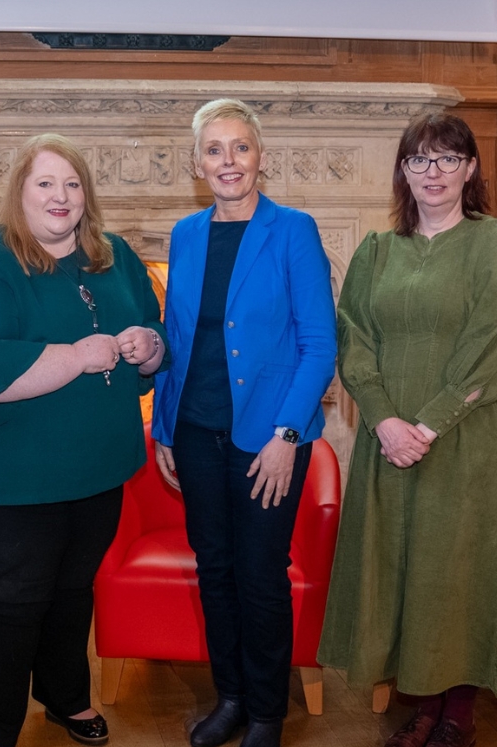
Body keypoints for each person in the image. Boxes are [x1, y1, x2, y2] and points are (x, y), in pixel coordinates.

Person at [0, 133, 167, 747]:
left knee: (71, 591)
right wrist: (75, 356)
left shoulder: (113, 254)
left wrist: (150, 345)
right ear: (21, 193)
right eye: (45, 183)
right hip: (13, 476)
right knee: (11, 604)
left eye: (72, 184)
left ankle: (65, 698)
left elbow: (153, 327)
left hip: (97, 468)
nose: (60, 196)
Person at [317, 113, 497, 747]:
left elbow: (490, 345)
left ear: (470, 168)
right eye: (419, 159)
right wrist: (385, 420)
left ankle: (457, 711)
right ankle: (422, 705)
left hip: (464, 437)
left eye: (447, 158)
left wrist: (427, 426)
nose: (433, 172)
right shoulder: (377, 251)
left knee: (455, 572)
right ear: (403, 172)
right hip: (387, 440)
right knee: (399, 568)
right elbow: (352, 339)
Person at [149, 98, 336, 747]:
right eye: (214, 149)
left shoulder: (293, 230)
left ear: (261, 157)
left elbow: (319, 344)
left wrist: (288, 435)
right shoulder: (186, 234)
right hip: (195, 431)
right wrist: (164, 427)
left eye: (240, 147)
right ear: (197, 163)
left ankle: (265, 712)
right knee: (215, 570)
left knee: (260, 576)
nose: (228, 161)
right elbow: (178, 336)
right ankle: (229, 696)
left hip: (270, 439)